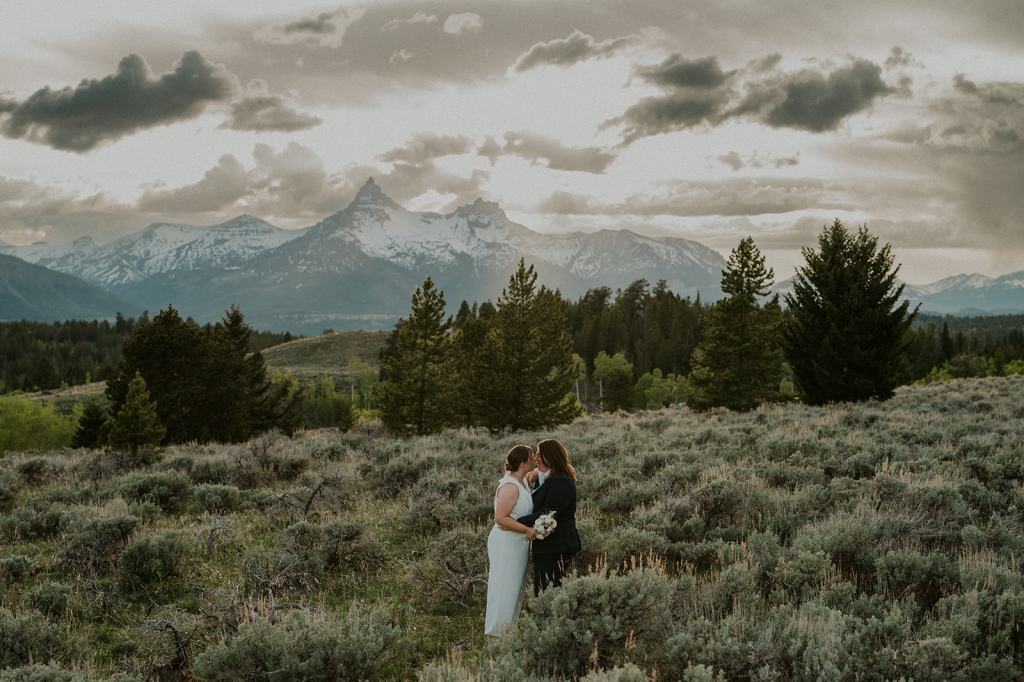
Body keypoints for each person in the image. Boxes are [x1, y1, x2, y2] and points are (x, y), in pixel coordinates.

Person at [483, 444, 535, 636]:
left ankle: (508, 628)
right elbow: (501, 518)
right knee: (504, 584)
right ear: (523, 463)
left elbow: (538, 472)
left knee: (515, 585)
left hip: (517, 543)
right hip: (506, 542)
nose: (535, 460)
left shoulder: (522, 481)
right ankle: (498, 630)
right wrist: (527, 530)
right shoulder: (510, 487)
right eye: (532, 458)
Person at [518, 438, 581, 594]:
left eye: (539, 455)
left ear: (550, 456)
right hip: (547, 547)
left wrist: (514, 522)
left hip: (557, 547)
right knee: (544, 590)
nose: (535, 459)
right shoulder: (546, 478)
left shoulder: (561, 481)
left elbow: (547, 514)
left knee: (548, 592)